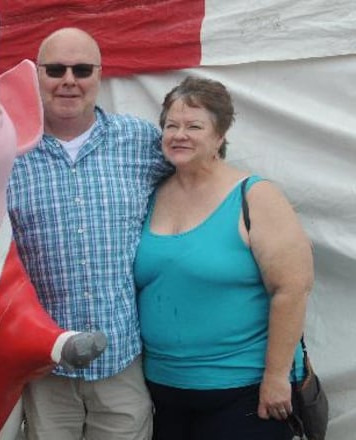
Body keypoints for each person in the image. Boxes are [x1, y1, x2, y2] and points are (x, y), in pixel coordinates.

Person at [7, 27, 172, 439]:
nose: (69, 80)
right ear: (36, 76)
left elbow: (197, 182)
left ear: (99, 75)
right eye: (56, 69)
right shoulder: (7, 149)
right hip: (44, 366)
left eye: (81, 69)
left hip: (121, 360)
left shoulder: (140, 140)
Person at [134, 76, 313, 439]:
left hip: (244, 391)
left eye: (194, 126)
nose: (179, 134)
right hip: (166, 392)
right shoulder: (150, 194)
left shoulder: (255, 196)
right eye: (171, 125)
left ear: (220, 136)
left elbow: (292, 288)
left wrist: (277, 377)